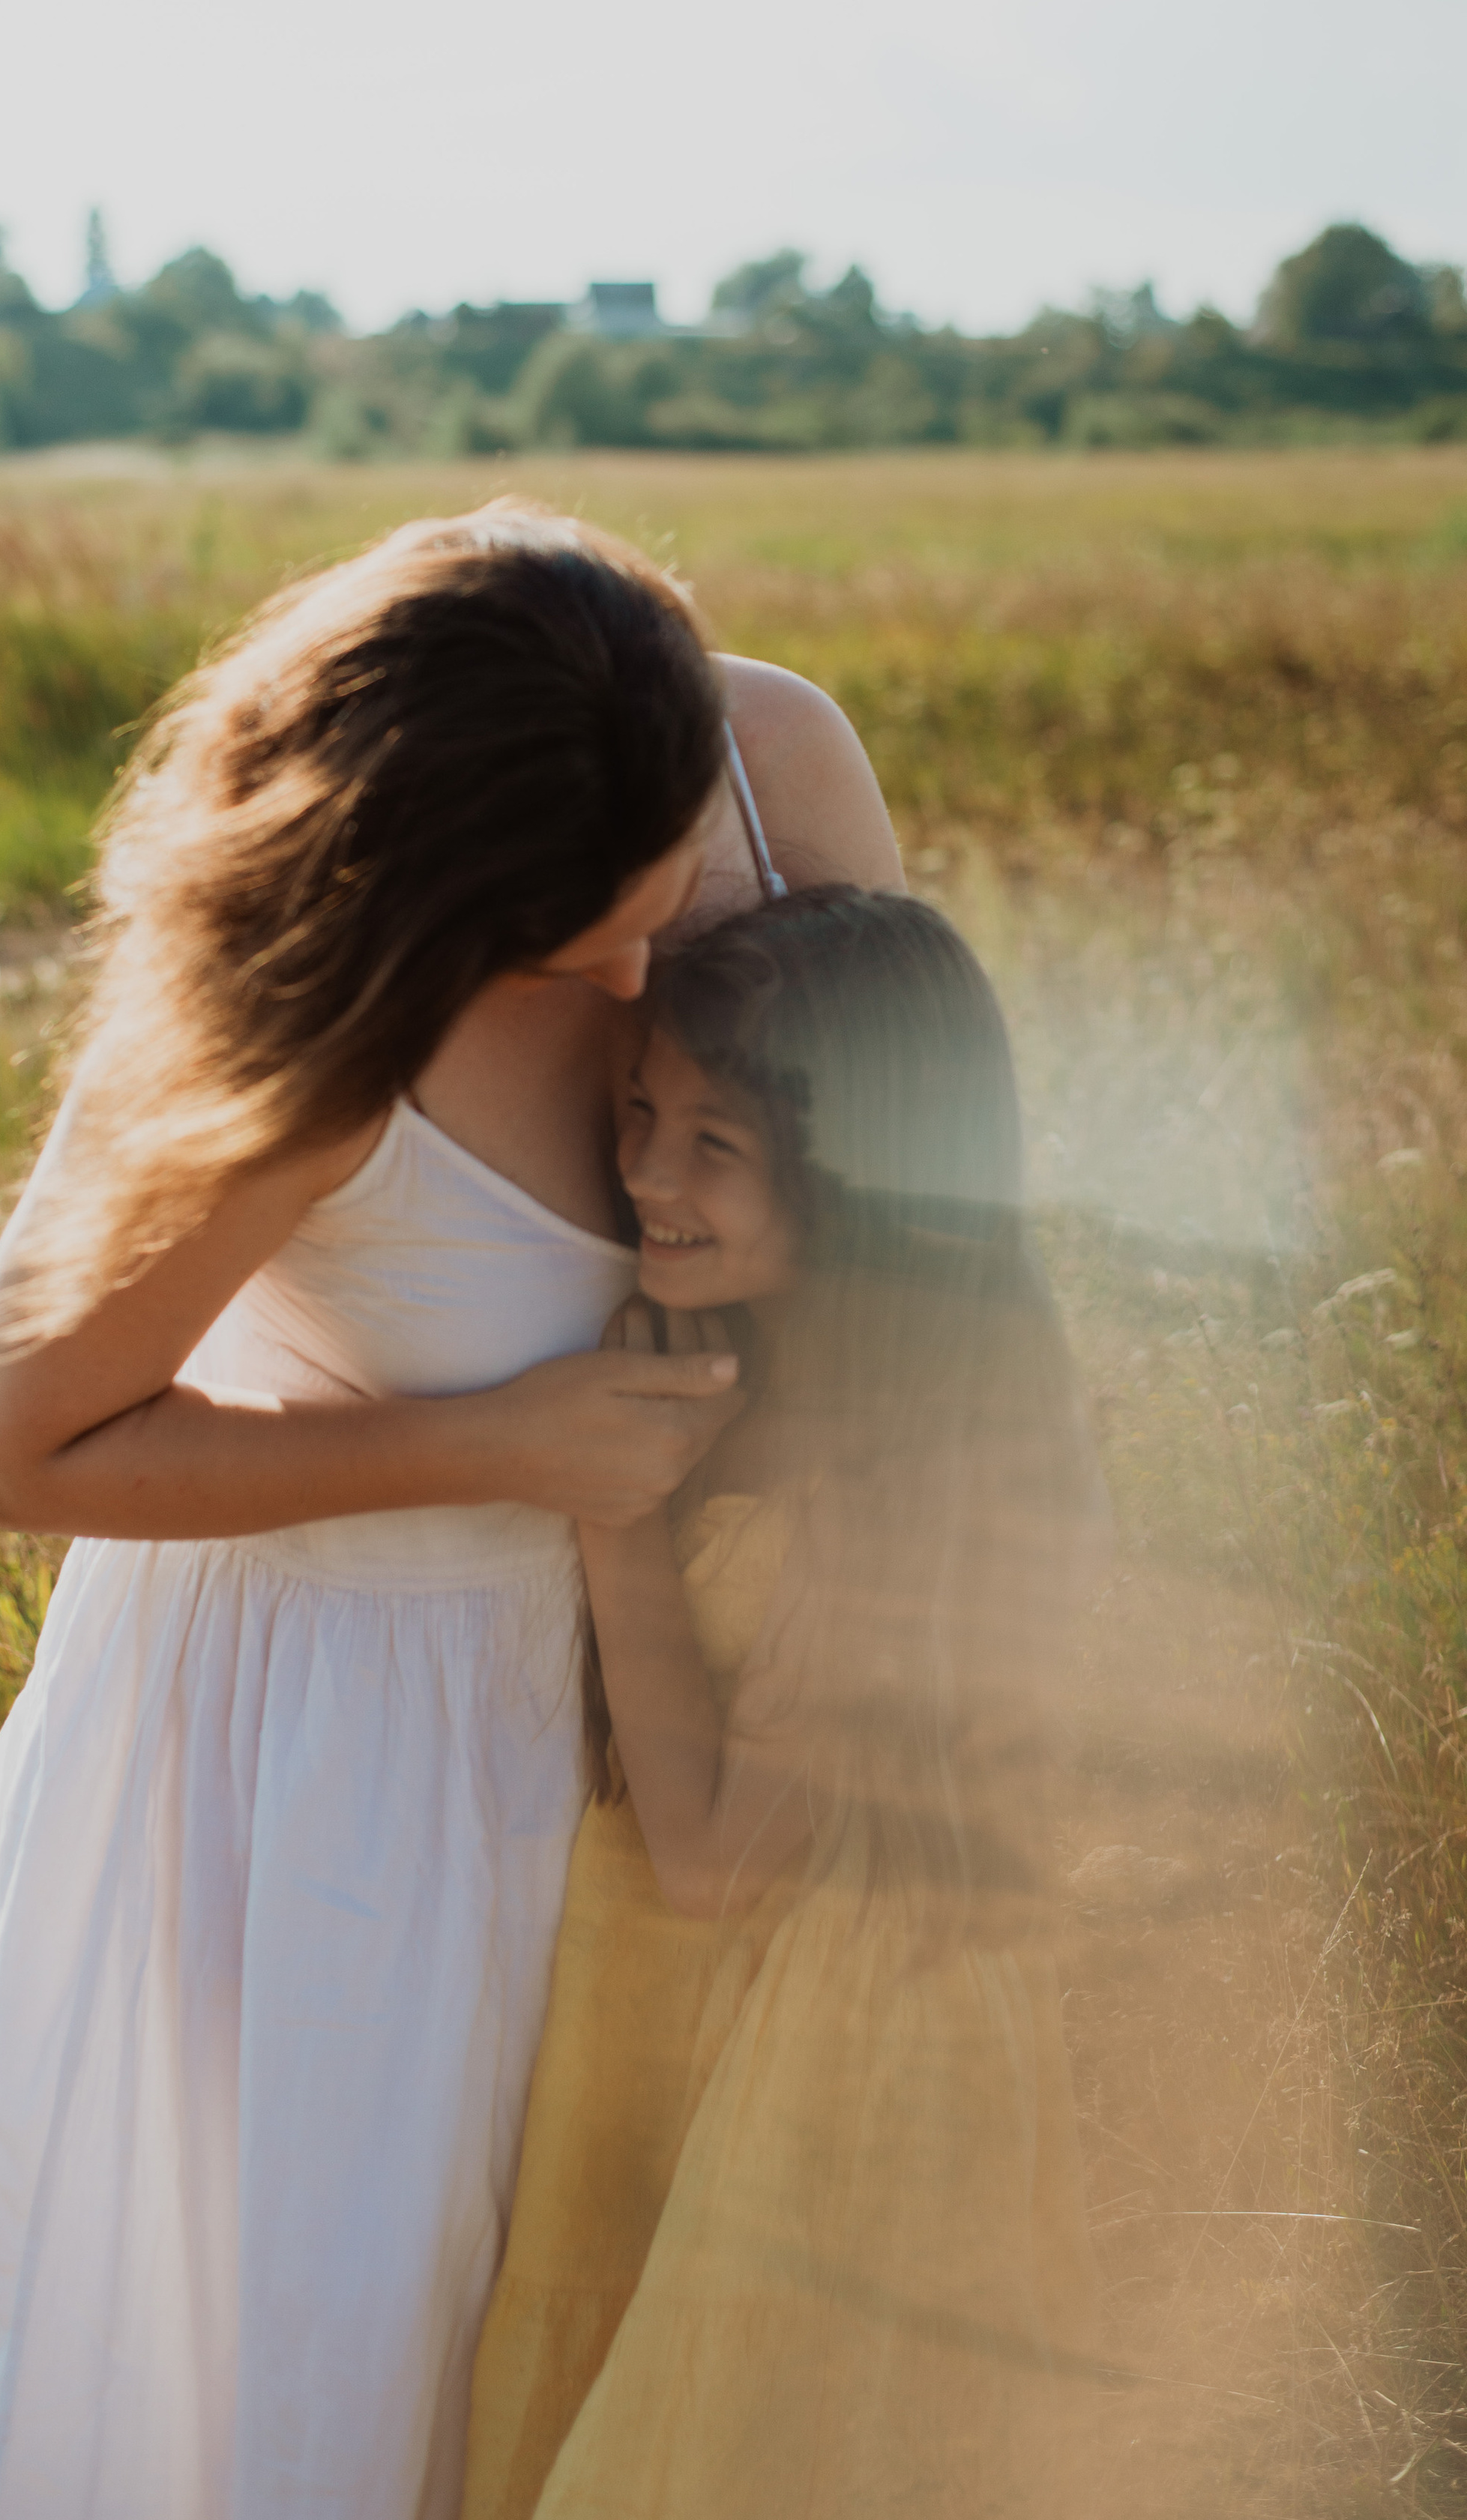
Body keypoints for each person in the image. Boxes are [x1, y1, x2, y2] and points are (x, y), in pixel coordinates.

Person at [0, 500, 900, 2520]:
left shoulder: (771, 761)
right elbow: (25, 1445)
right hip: (351, 1770)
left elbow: (900, 1194)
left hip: (714, 1676)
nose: (652, 966)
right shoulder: (300, 995)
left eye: (658, 894)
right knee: (353, 2363)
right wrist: (509, 1446)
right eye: (578, 936)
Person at [463, 887, 1106, 2520]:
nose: (646, 1177)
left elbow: (712, 1864)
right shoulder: (753, 1361)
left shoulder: (904, 1478)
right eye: (638, 1116)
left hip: (832, 2068)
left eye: (715, 1148)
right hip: (684, 2033)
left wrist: (610, 1515)